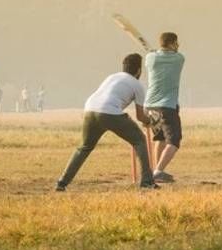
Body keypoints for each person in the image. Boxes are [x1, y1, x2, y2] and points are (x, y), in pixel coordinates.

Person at [55, 54, 158, 191]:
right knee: (139, 140)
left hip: (89, 110)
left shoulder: (112, 77)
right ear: (139, 71)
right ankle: (147, 181)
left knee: (84, 147)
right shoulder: (137, 85)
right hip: (110, 112)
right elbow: (140, 116)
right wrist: (151, 120)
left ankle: (62, 182)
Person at [144, 32, 185, 183]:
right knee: (174, 141)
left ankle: (156, 171)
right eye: (176, 43)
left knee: (159, 138)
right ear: (172, 43)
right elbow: (175, 53)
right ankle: (159, 171)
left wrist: (155, 52)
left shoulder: (150, 58)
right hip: (166, 106)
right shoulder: (179, 59)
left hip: (149, 106)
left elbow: (154, 55)